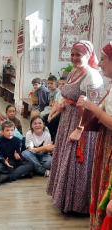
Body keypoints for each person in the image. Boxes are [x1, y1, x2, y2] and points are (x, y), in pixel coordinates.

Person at [46, 40, 103, 214]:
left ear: (88, 55)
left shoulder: (92, 76)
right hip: (67, 120)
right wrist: (62, 104)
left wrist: (80, 129)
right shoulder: (73, 73)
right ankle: (64, 199)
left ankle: (76, 204)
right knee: (65, 159)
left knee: (76, 162)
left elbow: (93, 106)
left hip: (81, 123)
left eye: (78, 55)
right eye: (72, 54)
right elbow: (68, 96)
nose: (74, 58)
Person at [75, 42, 112, 229]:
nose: (100, 63)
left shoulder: (92, 75)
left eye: (104, 59)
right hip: (105, 141)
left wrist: (92, 108)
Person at [46, 76, 67, 142]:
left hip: (63, 112)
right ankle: (49, 138)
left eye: (63, 84)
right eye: (60, 84)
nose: (61, 86)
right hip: (58, 111)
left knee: (53, 121)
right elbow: (55, 106)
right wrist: (50, 115)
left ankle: (56, 139)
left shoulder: (66, 94)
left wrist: (52, 116)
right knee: (45, 118)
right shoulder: (59, 93)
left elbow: (60, 109)